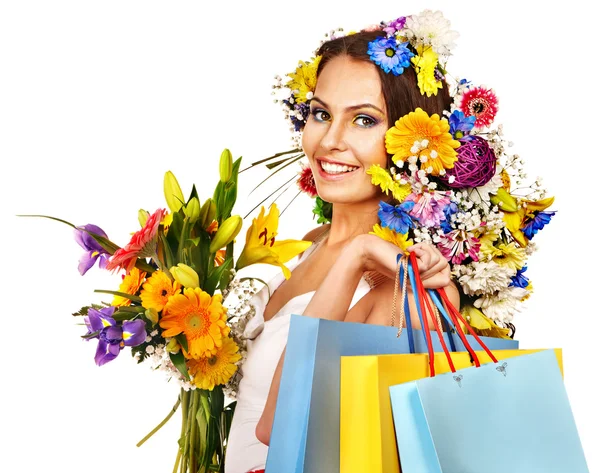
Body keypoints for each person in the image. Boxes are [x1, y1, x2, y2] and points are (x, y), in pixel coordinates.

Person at [223, 17, 462, 473]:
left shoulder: (401, 293)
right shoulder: (302, 246)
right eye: (320, 113)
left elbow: (281, 426)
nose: (330, 141)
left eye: (364, 121)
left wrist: (359, 254)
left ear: (413, 144)